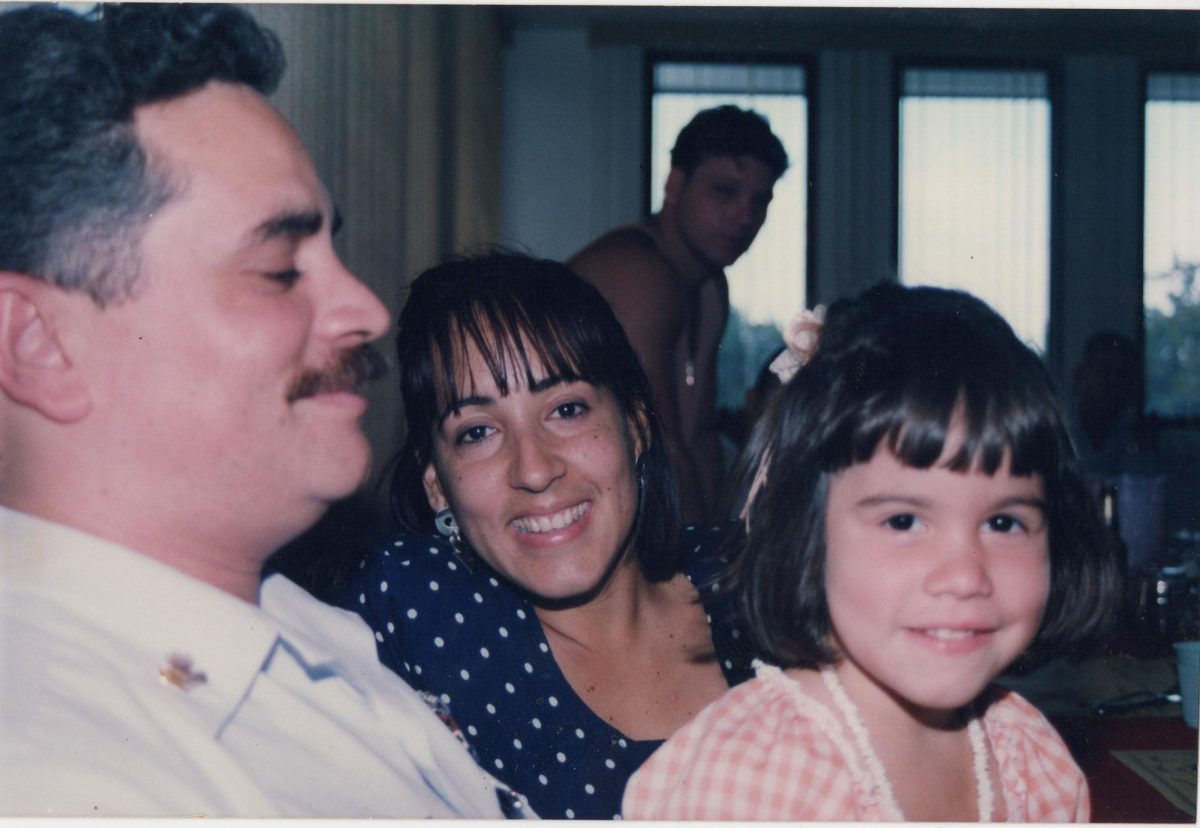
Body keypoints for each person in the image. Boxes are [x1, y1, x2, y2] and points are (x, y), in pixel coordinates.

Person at [0, 4, 517, 818]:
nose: (366, 309)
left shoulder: (290, 621)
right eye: (280, 267)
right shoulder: (58, 773)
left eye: (331, 251)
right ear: (41, 346)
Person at [623, 283, 1123, 821]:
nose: (963, 576)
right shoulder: (752, 779)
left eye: (1003, 522)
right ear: (806, 533)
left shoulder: (1031, 756)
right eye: (904, 520)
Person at [340, 252, 756, 820]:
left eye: (566, 409)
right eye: (478, 432)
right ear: (437, 484)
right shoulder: (415, 615)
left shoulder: (758, 589)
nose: (534, 470)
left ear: (635, 426)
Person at [568, 105, 789, 524]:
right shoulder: (638, 271)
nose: (745, 217)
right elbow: (658, 445)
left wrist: (714, 549)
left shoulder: (709, 287)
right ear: (674, 184)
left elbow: (698, 438)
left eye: (759, 202)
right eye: (724, 192)